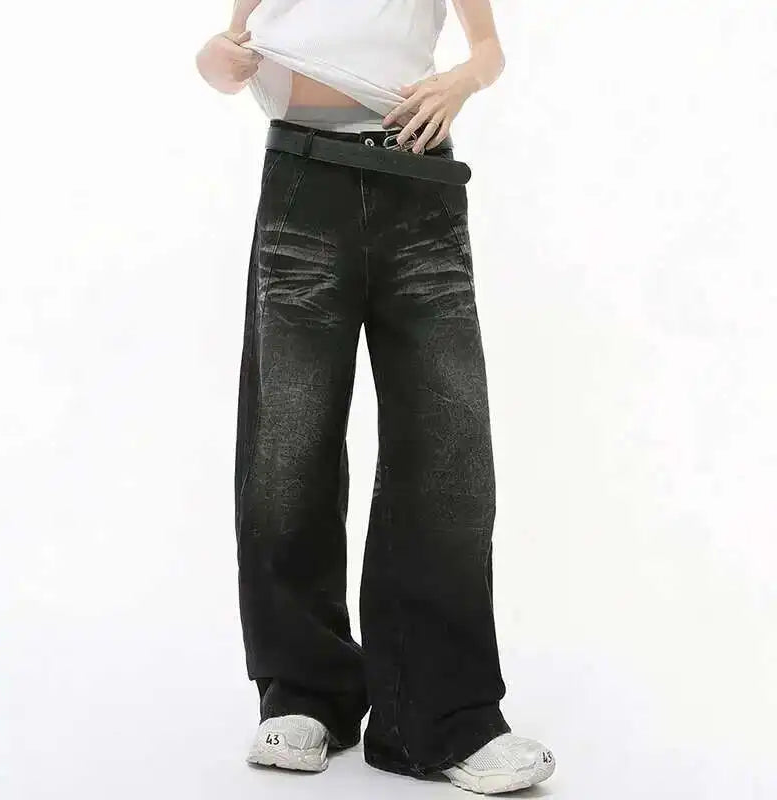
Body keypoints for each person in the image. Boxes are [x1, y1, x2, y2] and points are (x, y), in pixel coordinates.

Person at [195, 0, 555, 793]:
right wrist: (221, 60)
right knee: (288, 446)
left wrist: (460, 81)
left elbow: (488, 50)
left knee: (448, 449)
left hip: (417, 181)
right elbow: (225, 48)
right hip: (303, 178)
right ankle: (304, 695)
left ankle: (442, 716)